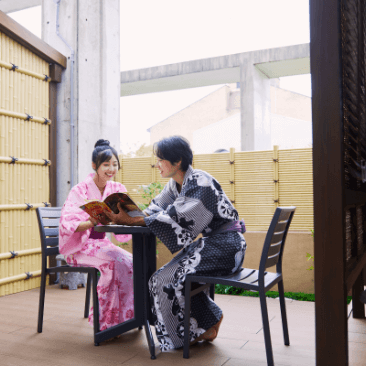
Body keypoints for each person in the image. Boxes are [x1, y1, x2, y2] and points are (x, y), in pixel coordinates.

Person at [105, 135, 247, 351]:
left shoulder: (201, 181)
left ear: (177, 161)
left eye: (161, 159)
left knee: (163, 279)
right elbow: (155, 211)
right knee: (170, 277)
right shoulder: (175, 185)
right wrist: (126, 212)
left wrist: (132, 220)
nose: (157, 164)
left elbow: (177, 218)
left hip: (227, 247)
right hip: (214, 245)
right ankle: (210, 322)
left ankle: (181, 339)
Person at [59, 139, 134, 331]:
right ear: (95, 166)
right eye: (106, 164)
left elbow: (127, 220)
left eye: (115, 164)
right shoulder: (80, 190)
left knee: (132, 262)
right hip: (80, 247)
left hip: (103, 245)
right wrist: (91, 221)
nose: (111, 169)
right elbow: (67, 223)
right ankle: (105, 323)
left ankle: (125, 319)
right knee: (113, 263)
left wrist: (120, 217)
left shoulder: (117, 189)